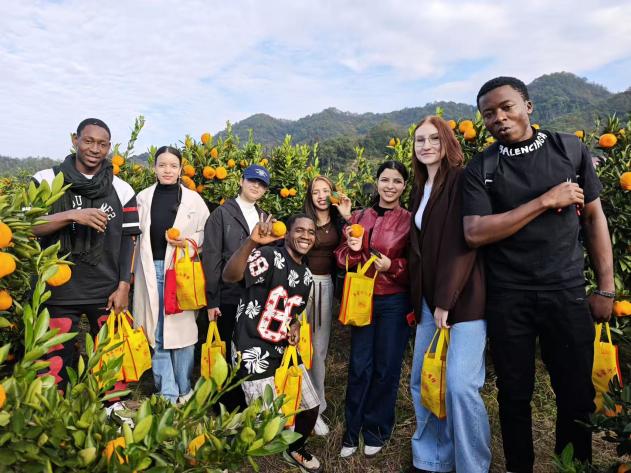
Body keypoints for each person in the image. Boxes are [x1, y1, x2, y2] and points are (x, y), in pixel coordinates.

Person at [462, 76, 614, 472]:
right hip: (508, 296)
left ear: (528, 106)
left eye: (506, 107)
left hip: (565, 291)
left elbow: (594, 218)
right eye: (488, 114)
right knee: (514, 394)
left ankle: (573, 466)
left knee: (576, 393)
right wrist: (545, 200)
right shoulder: (482, 167)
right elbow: (475, 232)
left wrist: (606, 288)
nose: (498, 118)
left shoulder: (569, 149)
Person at [407, 116, 491, 472]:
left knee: (459, 385)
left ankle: (472, 465)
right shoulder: (420, 188)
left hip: (464, 300)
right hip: (429, 302)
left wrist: (446, 300)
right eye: (419, 140)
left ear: (447, 142)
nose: (426, 145)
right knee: (424, 380)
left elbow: (463, 242)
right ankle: (432, 460)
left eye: (433, 139)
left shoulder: (461, 179)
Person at [32, 118, 141, 389]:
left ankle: (111, 404)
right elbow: (29, 227)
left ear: (109, 147)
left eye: (102, 144)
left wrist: (124, 286)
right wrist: (71, 215)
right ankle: (52, 405)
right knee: (52, 361)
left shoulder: (122, 188)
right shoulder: (46, 180)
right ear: (75, 140)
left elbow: (129, 240)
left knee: (111, 355)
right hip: (56, 289)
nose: (95, 149)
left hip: (105, 290)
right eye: (89, 141)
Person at [222, 213, 322, 473]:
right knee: (264, 419)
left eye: (311, 232)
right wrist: (252, 242)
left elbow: (293, 311)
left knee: (310, 407)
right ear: (286, 234)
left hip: (282, 347)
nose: (306, 236)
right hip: (252, 345)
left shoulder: (306, 275)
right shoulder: (269, 256)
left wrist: (295, 325)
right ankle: (231, 445)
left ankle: (295, 448)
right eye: (299, 230)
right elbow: (230, 276)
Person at [335, 160, 412, 458]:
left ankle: (376, 429)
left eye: (397, 181)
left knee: (386, 367)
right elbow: (341, 257)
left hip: (393, 301)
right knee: (360, 365)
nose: (390, 186)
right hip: (362, 298)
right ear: (377, 182)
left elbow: (417, 264)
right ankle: (351, 430)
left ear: (404, 186)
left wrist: (393, 266)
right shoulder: (359, 216)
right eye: (385, 180)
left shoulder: (409, 220)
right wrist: (353, 251)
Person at [133, 146, 210, 404]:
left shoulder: (193, 200)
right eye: (162, 165)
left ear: (180, 169)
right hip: (150, 269)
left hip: (181, 272)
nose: (167, 170)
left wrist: (187, 242)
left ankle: (184, 389)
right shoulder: (143, 197)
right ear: (154, 168)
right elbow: (132, 236)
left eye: (173, 165)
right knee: (157, 331)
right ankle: (166, 392)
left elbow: (206, 233)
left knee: (183, 333)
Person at [201, 164, 269, 410]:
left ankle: (246, 403)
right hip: (228, 295)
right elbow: (211, 258)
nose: (256, 186)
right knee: (225, 352)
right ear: (241, 181)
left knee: (247, 350)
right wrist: (212, 299)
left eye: (261, 184)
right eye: (252, 181)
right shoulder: (221, 214)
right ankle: (224, 406)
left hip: (253, 296)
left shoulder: (264, 217)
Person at [302, 175, 352, 436]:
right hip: (301, 285)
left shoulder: (339, 222)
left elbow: (357, 241)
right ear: (309, 196)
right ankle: (297, 402)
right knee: (299, 346)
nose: (321, 196)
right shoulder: (303, 221)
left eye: (325, 191)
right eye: (315, 192)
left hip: (325, 285)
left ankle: (316, 408)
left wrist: (347, 215)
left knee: (319, 350)